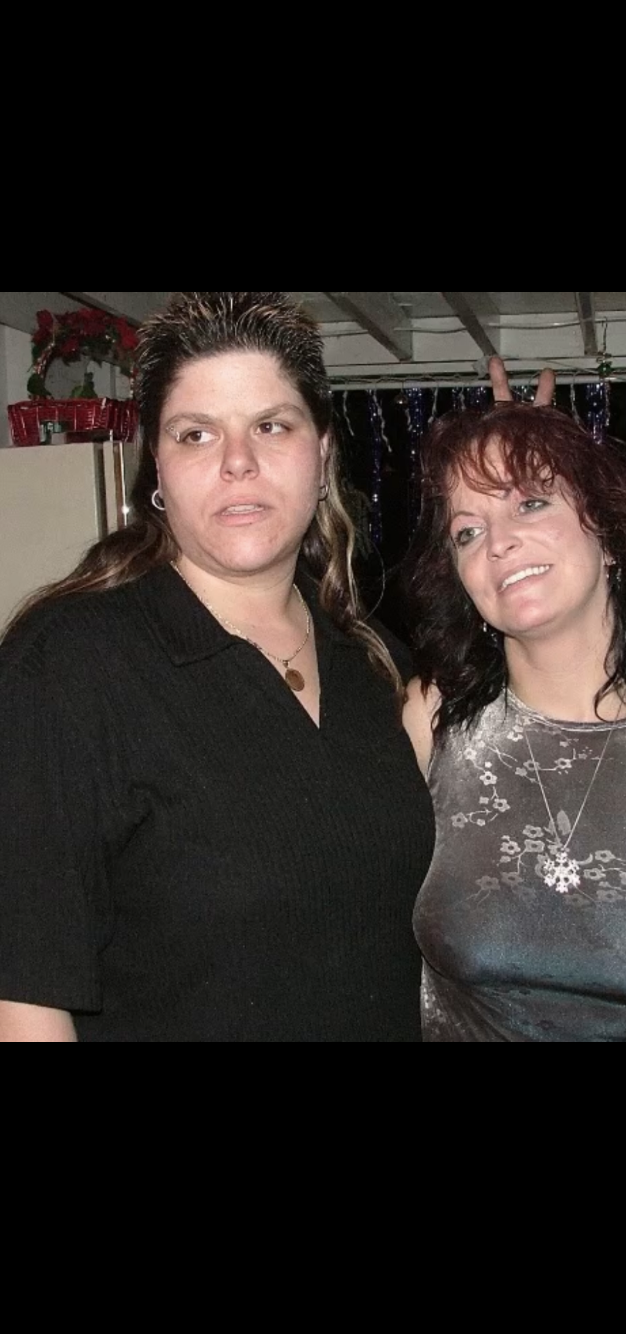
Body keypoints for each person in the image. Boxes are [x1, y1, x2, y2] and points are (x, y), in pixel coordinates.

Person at [0, 291, 437, 1042]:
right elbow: (23, 1003)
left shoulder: (372, 660)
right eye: (197, 434)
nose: (238, 461)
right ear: (158, 467)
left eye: (271, 425)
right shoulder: (66, 666)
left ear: (322, 457)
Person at [402, 397, 626, 1041]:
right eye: (468, 531)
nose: (499, 542)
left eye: (531, 502)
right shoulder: (431, 722)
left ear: (609, 533)